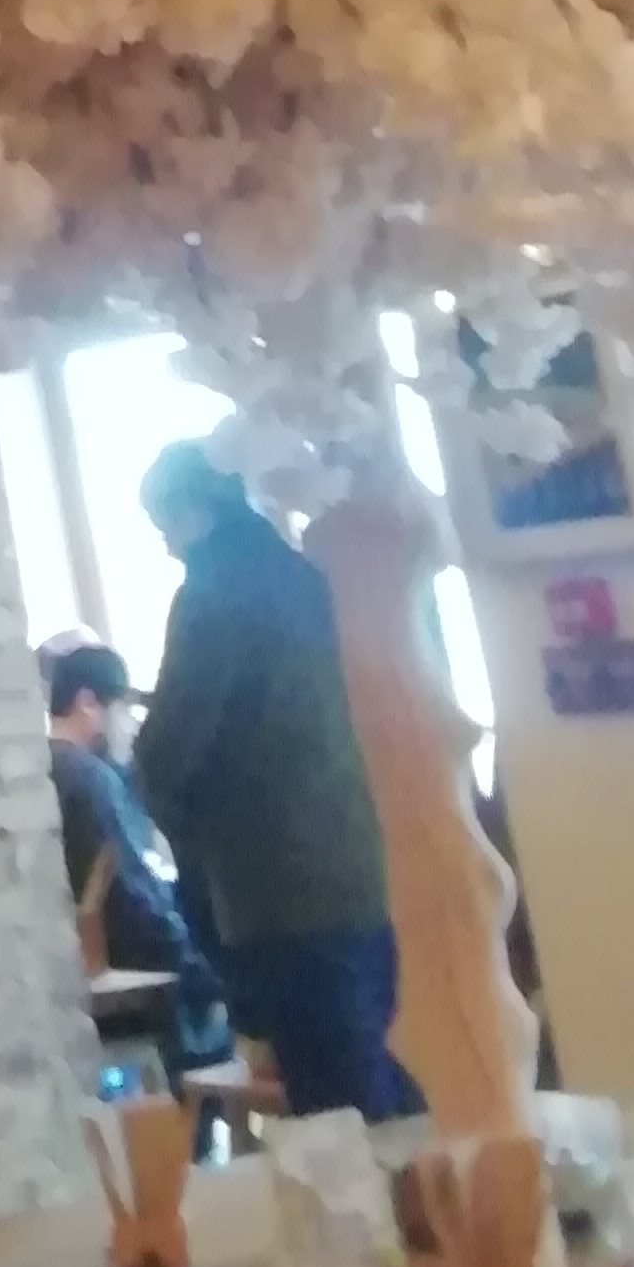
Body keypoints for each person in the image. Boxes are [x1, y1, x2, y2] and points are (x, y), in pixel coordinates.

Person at [130, 442, 417, 1120]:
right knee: (386, 1080)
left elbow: (171, 746)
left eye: (164, 524)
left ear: (194, 509)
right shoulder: (305, 577)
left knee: (334, 1103)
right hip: (361, 863)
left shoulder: (212, 594)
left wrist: (172, 811)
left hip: (277, 883)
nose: (167, 544)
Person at [42, 643, 232, 1080]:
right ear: (87, 703)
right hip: (145, 990)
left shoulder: (48, 772)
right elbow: (132, 893)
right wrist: (202, 971)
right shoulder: (90, 780)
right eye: (122, 709)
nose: (128, 725)